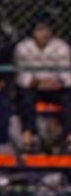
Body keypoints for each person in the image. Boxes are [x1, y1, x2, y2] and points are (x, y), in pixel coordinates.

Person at [13, 15, 71, 153]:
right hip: (35, 87)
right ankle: (29, 137)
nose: (45, 33)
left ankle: (69, 138)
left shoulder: (61, 47)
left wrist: (56, 83)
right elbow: (24, 78)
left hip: (55, 87)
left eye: (48, 29)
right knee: (26, 96)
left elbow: (67, 76)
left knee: (68, 98)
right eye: (40, 29)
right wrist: (39, 84)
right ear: (33, 32)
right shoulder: (23, 47)